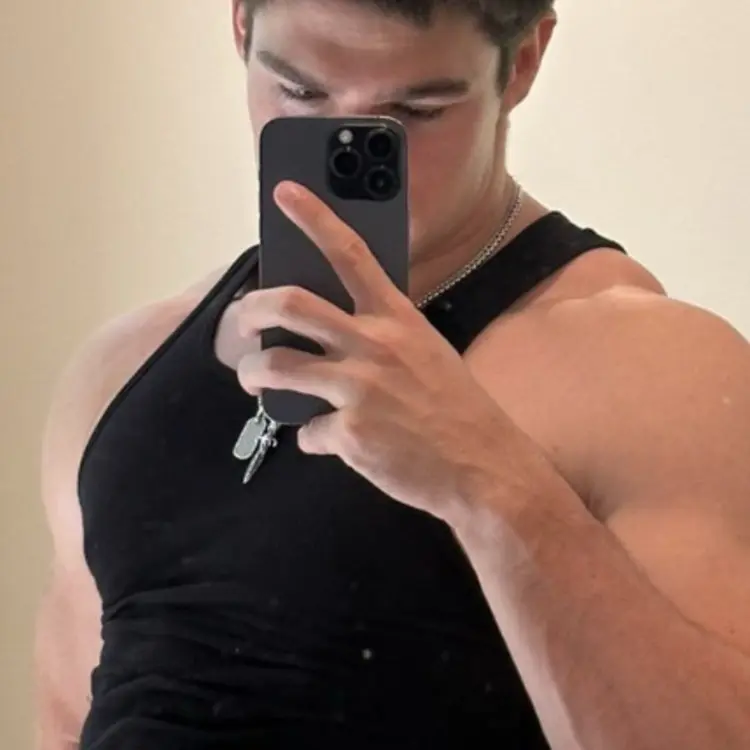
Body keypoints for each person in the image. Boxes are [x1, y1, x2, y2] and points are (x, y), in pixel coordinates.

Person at [35, 0, 750, 748]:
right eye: (300, 92)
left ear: (523, 62)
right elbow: (65, 715)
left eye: (416, 110)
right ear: (241, 27)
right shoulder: (123, 365)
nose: (343, 143)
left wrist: (493, 487)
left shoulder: (650, 367)